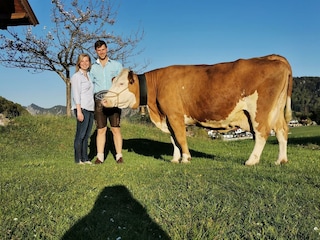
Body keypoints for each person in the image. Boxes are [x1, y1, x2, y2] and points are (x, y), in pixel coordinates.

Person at [90, 40, 124, 164]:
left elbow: (122, 82)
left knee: (115, 128)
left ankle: (119, 156)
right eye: (99, 50)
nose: (101, 52)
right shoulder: (92, 67)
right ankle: (100, 157)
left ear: (107, 49)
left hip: (113, 100)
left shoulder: (116, 65)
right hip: (99, 100)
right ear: (96, 51)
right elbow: (89, 84)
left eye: (103, 49)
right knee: (101, 129)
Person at [71, 53, 95, 165]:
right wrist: (79, 111)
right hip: (82, 108)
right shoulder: (76, 76)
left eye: (87, 61)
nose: (85, 63)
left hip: (90, 108)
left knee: (86, 135)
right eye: (82, 61)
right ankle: (78, 159)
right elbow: (76, 94)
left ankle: (85, 158)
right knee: (80, 135)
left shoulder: (89, 76)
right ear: (79, 63)